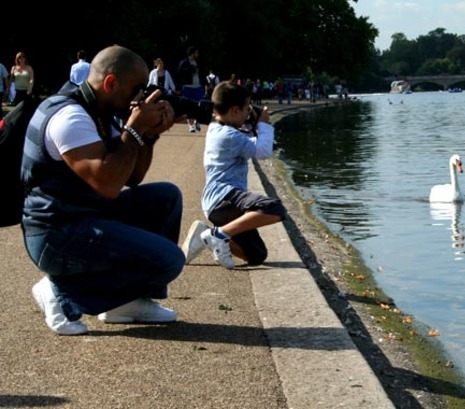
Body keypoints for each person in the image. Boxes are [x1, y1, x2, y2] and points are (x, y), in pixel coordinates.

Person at [22, 45, 185, 335]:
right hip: (55, 234)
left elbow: (132, 176)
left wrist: (148, 135)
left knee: (165, 199)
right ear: (110, 84)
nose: (140, 98)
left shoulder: (100, 109)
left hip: (84, 217)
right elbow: (109, 185)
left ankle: (126, 302)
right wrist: (134, 128)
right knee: (170, 259)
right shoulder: (69, 117)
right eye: (136, 89)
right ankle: (60, 292)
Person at [182, 81, 286, 269]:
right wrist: (262, 123)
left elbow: (252, 143)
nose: (248, 113)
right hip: (225, 198)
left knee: (256, 255)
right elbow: (263, 151)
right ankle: (218, 235)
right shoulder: (229, 135)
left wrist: (254, 123)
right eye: (246, 109)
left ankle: (207, 234)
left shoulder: (218, 129)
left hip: (218, 203)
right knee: (274, 208)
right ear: (234, 111)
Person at [177, 45, 204, 132]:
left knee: (199, 105)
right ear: (192, 53)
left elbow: (203, 74)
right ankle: (191, 125)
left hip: (198, 87)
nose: (198, 54)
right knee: (189, 106)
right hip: (188, 87)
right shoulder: (184, 63)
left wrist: (206, 84)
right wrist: (178, 88)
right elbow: (179, 75)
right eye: (196, 53)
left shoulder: (199, 62)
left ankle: (197, 121)